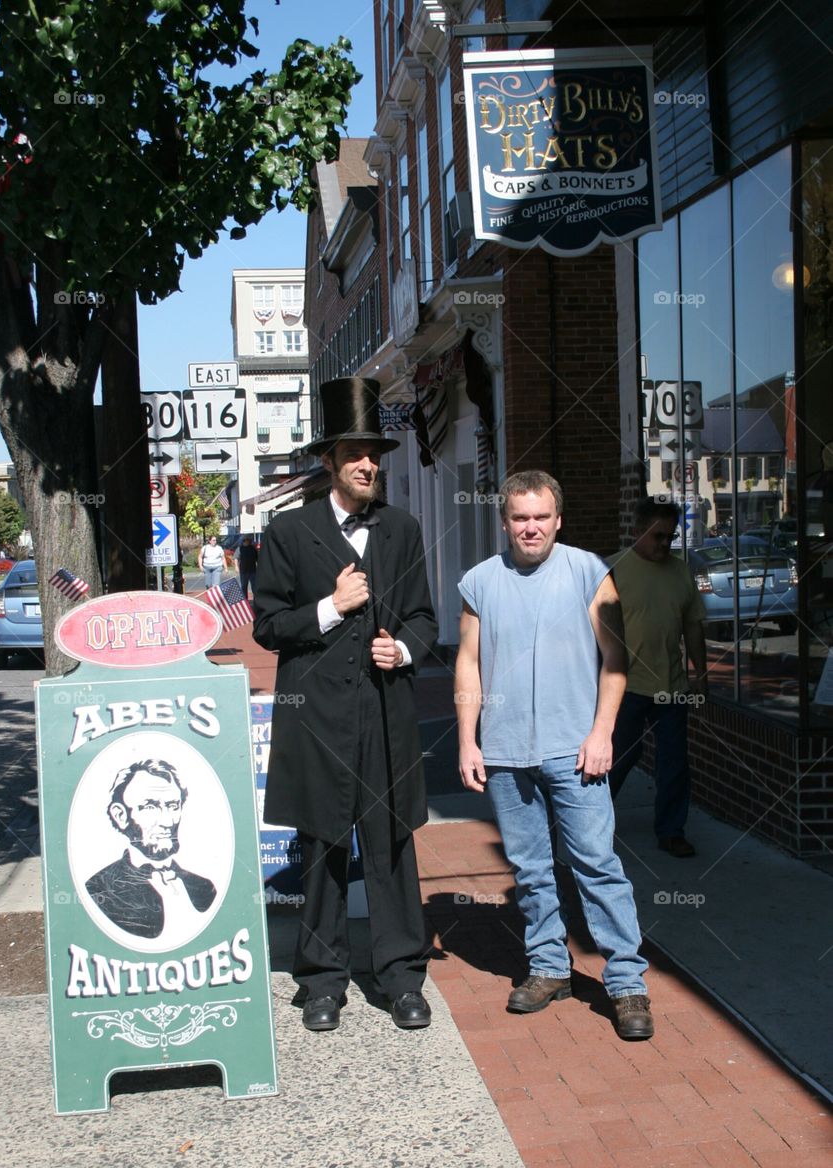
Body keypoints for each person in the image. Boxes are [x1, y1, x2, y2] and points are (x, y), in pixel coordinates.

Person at [253, 377, 438, 1033]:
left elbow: (422, 617)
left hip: (385, 717)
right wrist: (332, 608)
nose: (368, 464)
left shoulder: (401, 529)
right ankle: (323, 980)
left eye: (375, 454)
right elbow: (268, 625)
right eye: (355, 454)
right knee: (323, 847)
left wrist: (406, 651)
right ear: (328, 459)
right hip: (318, 722)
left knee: (389, 846)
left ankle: (399, 977)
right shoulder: (289, 533)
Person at [456, 470, 653, 1041]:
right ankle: (547, 968)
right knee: (531, 869)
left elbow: (617, 658)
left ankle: (626, 983)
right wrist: (469, 739)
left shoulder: (591, 572)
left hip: (576, 751)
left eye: (541, 516)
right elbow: (468, 663)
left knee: (597, 865)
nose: (531, 527)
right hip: (506, 750)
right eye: (520, 517)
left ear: (558, 519)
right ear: (505, 522)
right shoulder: (479, 582)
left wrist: (603, 733)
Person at [608, 497, 708, 858]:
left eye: (670, 537)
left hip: (673, 686)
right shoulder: (612, 570)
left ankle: (671, 831)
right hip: (625, 686)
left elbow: (692, 625)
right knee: (617, 758)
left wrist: (701, 672)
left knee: (674, 762)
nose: (665, 544)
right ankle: (593, 825)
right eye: (657, 536)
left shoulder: (680, 570)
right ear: (637, 531)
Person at [86, 759, 217, 941]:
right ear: (120, 815)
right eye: (150, 806)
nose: (167, 821)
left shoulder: (204, 888)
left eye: (172, 806)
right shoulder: (99, 889)